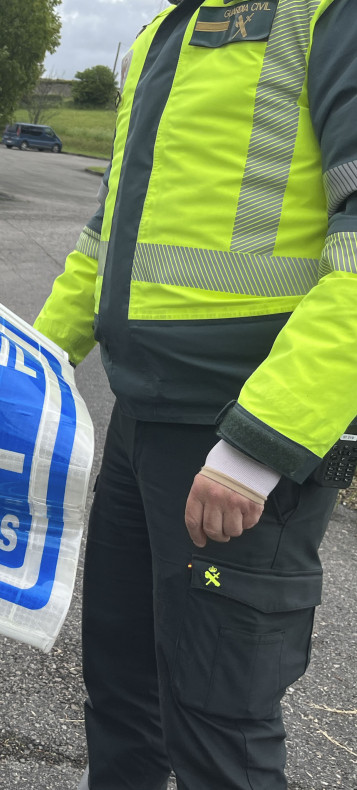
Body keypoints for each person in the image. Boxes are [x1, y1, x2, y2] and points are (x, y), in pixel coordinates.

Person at [32, 1, 357, 788]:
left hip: (237, 432)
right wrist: (31, 363)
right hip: (140, 420)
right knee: (119, 688)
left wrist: (259, 444)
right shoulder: (163, 31)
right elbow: (108, 238)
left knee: (218, 724)